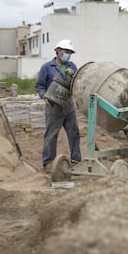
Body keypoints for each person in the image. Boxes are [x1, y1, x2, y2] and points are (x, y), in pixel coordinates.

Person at [35, 39, 82, 173]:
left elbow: (77, 84)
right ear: (58, 51)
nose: (68, 55)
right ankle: (48, 163)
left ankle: (76, 161)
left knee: (74, 134)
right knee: (51, 136)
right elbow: (39, 86)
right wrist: (44, 96)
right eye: (66, 52)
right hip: (53, 107)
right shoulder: (47, 67)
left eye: (70, 53)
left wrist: (73, 76)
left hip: (68, 107)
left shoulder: (72, 66)